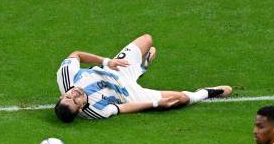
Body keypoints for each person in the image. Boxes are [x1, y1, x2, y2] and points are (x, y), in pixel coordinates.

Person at [54, 33, 231, 122]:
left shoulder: (66, 78)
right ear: (80, 109)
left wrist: (107, 61)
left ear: (63, 95)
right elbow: (124, 108)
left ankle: (140, 66)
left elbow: (76, 54)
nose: (74, 94)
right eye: (75, 100)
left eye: (68, 96)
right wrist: (155, 105)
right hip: (129, 93)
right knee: (179, 99)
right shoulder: (95, 112)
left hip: (116, 70)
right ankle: (204, 93)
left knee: (147, 39)